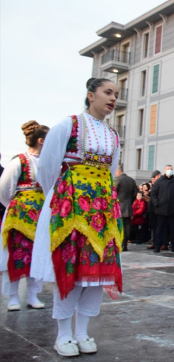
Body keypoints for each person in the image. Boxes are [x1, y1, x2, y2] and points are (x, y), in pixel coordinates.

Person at [31, 78, 122, 357]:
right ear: (91, 95)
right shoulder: (68, 125)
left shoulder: (113, 135)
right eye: (108, 92)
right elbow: (47, 169)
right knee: (70, 265)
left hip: (102, 208)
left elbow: (111, 172)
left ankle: (82, 332)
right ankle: (63, 334)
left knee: (97, 271)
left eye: (116, 94)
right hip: (71, 205)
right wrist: (58, 198)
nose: (113, 98)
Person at [0, 121, 49, 312]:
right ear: (41, 141)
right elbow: (4, 189)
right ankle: (13, 296)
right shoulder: (18, 161)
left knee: (37, 255)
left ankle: (33, 294)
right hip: (19, 217)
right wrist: (14, 205)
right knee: (16, 254)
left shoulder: (47, 162)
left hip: (40, 214)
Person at [151, 165, 174, 253]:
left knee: (173, 229)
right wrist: (157, 203)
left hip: (173, 210)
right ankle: (157, 246)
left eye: (171, 169)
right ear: (164, 171)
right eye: (168, 169)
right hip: (161, 209)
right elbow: (153, 194)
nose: (169, 170)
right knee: (159, 229)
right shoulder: (159, 181)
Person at [114, 165, 137, 251]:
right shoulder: (131, 180)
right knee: (127, 226)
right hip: (128, 206)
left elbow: (114, 192)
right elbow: (135, 194)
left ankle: (121, 243)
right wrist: (130, 202)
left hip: (119, 206)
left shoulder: (118, 180)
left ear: (117, 171)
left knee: (120, 225)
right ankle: (125, 244)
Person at [146, 170, 161, 250]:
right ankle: (154, 242)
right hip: (151, 208)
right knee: (153, 227)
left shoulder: (159, 185)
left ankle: (158, 242)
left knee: (157, 227)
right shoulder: (154, 185)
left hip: (156, 208)